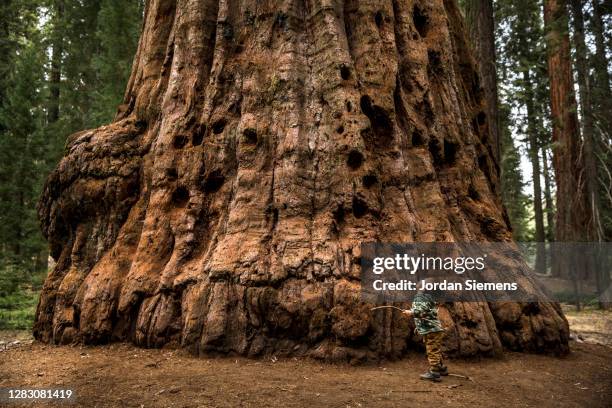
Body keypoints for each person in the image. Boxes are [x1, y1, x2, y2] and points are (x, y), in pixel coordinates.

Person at [402, 283, 448, 382]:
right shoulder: (428, 297)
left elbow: (420, 310)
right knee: (435, 349)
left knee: (432, 350)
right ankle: (440, 368)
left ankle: (435, 372)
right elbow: (425, 312)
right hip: (433, 329)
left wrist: (411, 312)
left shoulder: (421, 297)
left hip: (431, 330)